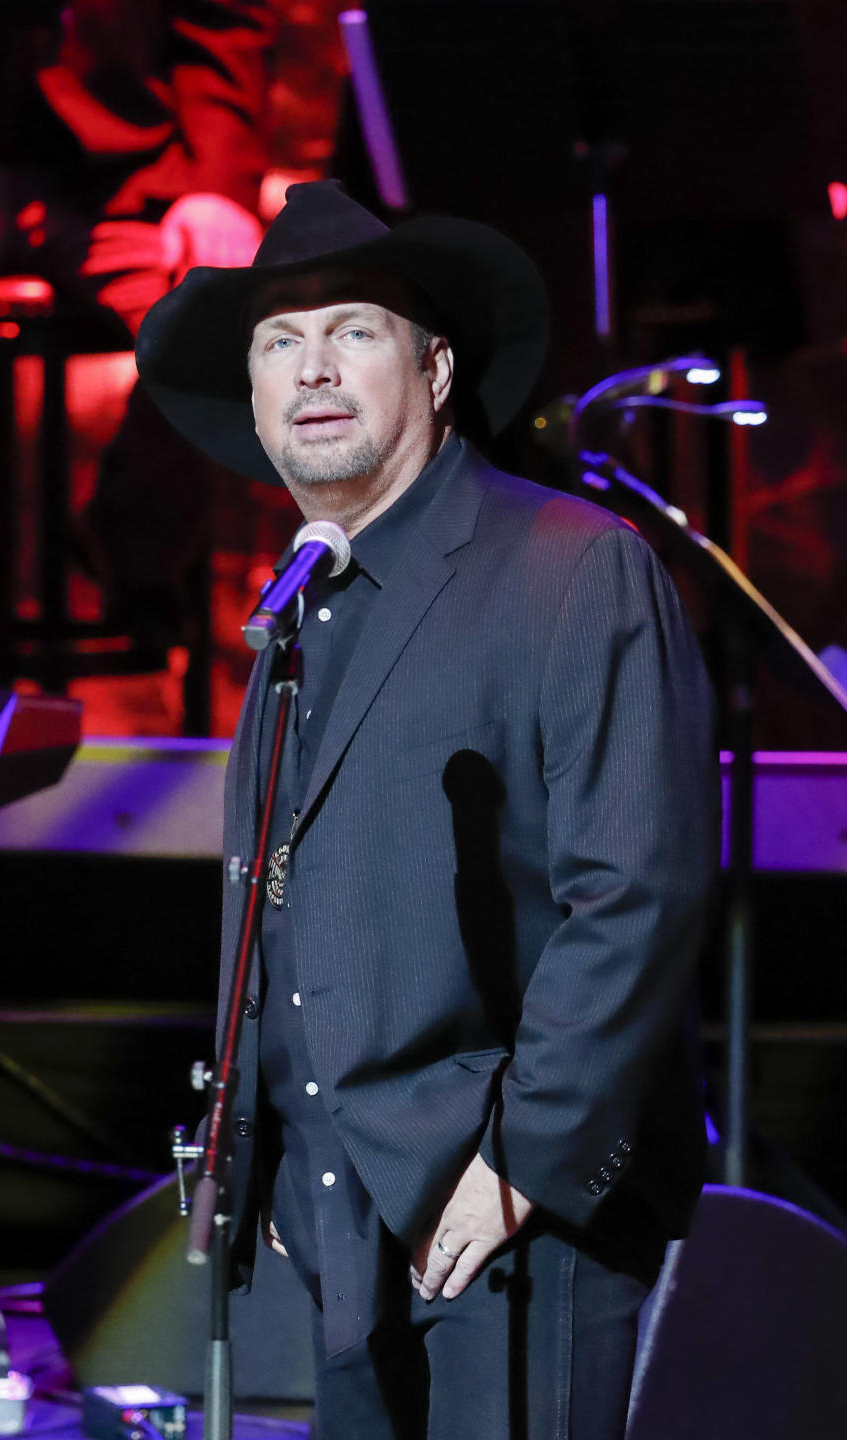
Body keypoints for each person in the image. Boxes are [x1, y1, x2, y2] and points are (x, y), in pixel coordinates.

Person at [136, 180, 719, 1440]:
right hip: (340, 1217)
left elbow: (638, 888)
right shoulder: (300, 604)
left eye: (352, 330)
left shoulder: (570, 563)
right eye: (278, 344)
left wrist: (528, 1164)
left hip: (510, 1207)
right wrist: (270, 1166)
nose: (313, 369)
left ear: (437, 368)